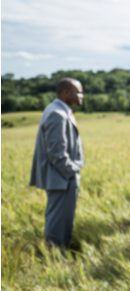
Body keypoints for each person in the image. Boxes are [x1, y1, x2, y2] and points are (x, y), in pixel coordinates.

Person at [29, 78, 85, 250]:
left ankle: (58, 253)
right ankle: (55, 257)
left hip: (61, 178)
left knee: (61, 219)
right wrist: (72, 171)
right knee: (58, 221)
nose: (82, 95)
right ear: (66, 92)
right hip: (61, 179)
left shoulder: (60, 111)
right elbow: (57, 154)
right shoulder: (57, 114)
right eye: (79, 91)